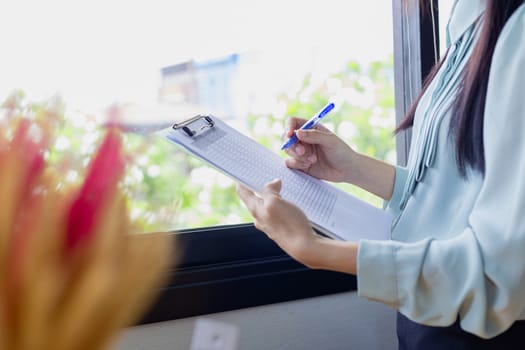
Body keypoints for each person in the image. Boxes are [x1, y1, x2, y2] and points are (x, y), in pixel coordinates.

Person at [236, 0, 525, 348]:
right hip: (433, 311)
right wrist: (355, 168)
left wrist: (313, 248)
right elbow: (459, 193)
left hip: (481, 330)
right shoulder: (470, 19)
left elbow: (498, 273)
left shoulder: (516, 33)